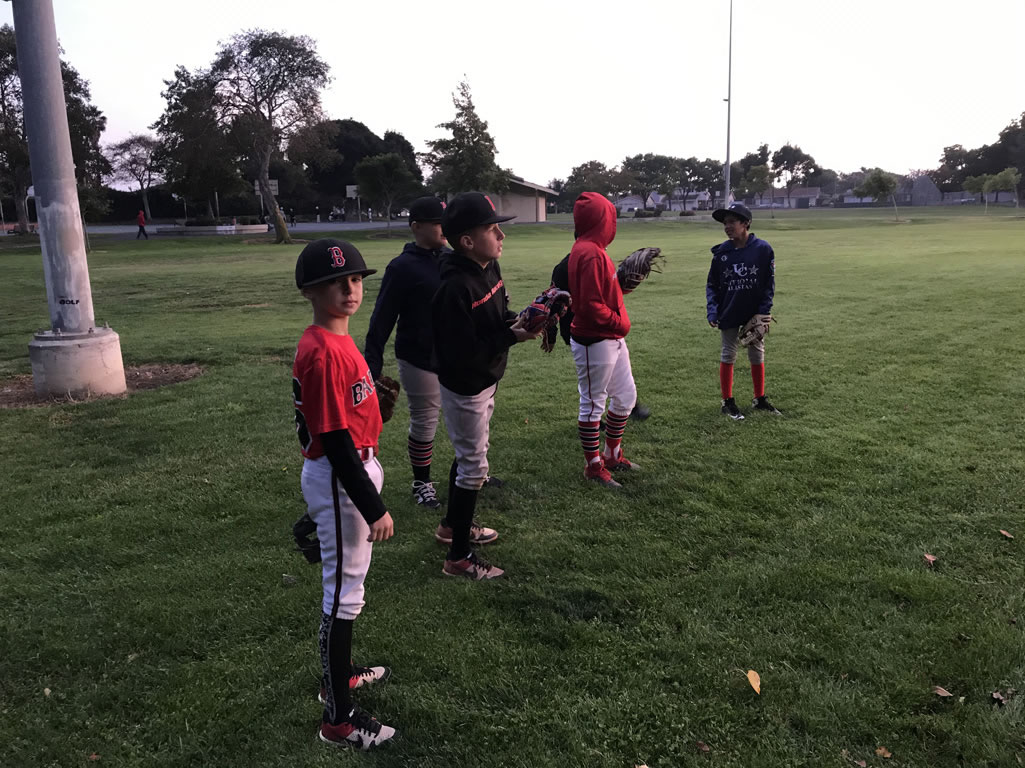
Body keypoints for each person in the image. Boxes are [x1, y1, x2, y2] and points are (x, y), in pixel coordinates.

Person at [292, 238, 397, 750]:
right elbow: (332, 440)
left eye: (355, 278)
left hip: (348, 468)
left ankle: (341, 674)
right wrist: (372, 506)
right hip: (341, 476)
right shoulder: (323, 350)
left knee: (346, 591)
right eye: (335, 282)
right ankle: (338, 718)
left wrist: (372, 411)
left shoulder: (336, 338)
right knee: (342, 595)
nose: (349, 289)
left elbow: (339, 421)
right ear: (310, 291)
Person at [431, 192, 541, 580]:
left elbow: (495, 318)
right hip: (466, 385)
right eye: (492, 229)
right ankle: (458, 557)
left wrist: (522, 319)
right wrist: (513, 336)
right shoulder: (454, 289)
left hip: (486, 378)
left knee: (469, 455)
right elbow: (463, 352)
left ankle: (451, 527)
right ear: (466, 241)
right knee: (474, 467)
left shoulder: (489, 266)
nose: (501, 235)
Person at [364, 197, 451, 510]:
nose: (444, 227)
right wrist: (371, 367)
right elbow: (382, 318)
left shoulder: (453, 258)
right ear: (416, 226)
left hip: (456, 354)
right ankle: (422, 483)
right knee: (425, 420)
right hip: (418, 355)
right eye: (437, 222)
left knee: (470, 418)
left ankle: (474, 472)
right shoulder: (402, 267)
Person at [568, 192, 639, 489]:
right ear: (602, 219)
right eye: (610, 216)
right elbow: (589, 306)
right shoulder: (590, 252)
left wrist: (623, 288)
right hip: (594, 339)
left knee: (626, 396)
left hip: (610, 337)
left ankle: (611, 455)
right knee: (592, 404)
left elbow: (602, 295)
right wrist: (620, 323)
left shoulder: (593, 249)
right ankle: (593, 467)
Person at [552, 248, 651, 423]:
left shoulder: (597, 259)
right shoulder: (570, 266)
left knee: (617, 373)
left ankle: (628, 405)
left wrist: (621, 285)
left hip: (607, 328)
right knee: (595, 385)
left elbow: (606, 295)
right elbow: (572, 302)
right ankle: (592, 420)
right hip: (586, 333)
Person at [705, 202, 781, 420]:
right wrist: (712, 311)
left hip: (754, 312)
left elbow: (768, 284)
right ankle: (727, 402)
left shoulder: (762, 249)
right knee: (728, 353)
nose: (727, 227)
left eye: (732, 222)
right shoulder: (722, 253)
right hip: (729, 309)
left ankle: (759, 398)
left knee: (757, 352)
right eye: (725, 223)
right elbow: (712, 285)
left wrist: (764, 311)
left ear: (746, 223)